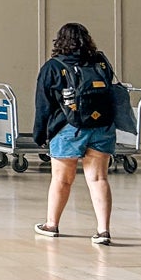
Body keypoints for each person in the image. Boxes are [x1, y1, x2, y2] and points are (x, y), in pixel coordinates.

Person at [32, 22, 118, 245]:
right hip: (102, 126)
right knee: (99, 178)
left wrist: (40, 135)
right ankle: (103, 231)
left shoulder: (53, 66)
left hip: (68, 128)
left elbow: (43, 105)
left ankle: (52, 225)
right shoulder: (100, 62)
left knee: (62, 179)